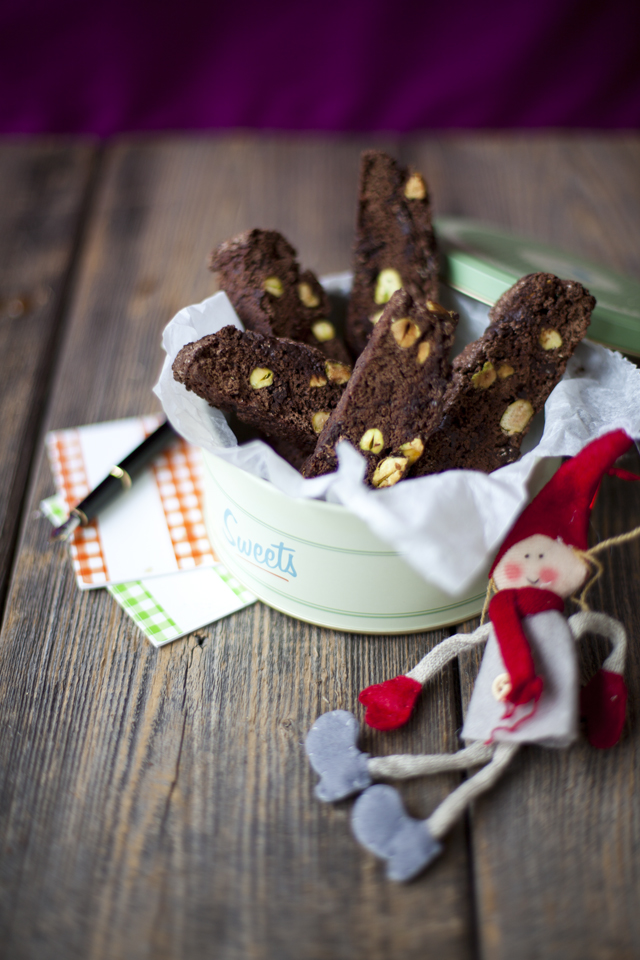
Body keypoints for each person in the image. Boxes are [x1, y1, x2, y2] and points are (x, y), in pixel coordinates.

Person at [306, 429, 637, 881]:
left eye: (547, 557)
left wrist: (607, 689)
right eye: (526, 556)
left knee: (486, 763)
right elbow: (459, 644)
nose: (535, 568)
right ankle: (358, 771)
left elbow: (609, 632)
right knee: (470, 760)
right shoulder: (506, 612)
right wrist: (409, 683)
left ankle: (420, 832)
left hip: (539, 698)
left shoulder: (558, 620)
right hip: (507, 690)